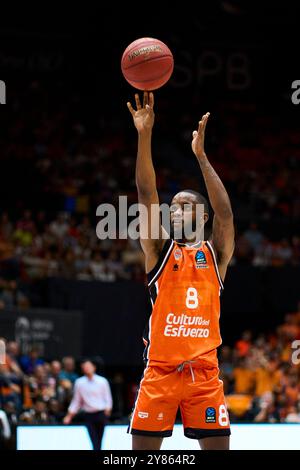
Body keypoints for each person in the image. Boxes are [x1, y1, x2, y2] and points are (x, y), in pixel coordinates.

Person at [126, 92, 235, 450]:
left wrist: (201, 157)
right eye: (172, 207)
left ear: (201, 217)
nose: (174, 211)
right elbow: (146, 194)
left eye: (184, 206)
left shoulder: (215, 254)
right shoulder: (158, 250)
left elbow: (226, 215)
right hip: (160, 373)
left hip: (204, 375)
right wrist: (144, 135)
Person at [63, 359, 112, 450]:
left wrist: (107, 410)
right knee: (93, 440)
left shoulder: (102, 381)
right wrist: (69, 416)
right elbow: (76, 401)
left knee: (100, 440)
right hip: (89, 415)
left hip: (101, 414)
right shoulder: (79, 382)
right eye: (85, 367)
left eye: (89, 366)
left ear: (94, 367)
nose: (87, 369)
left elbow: (108, 398)